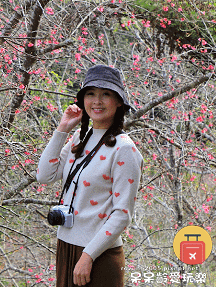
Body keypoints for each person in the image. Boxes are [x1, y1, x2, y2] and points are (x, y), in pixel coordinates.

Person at [37, 64, 143, 286]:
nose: (97, 101)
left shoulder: (124, 149)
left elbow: (122, 213)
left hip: (98, 254)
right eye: (91, 94)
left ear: (119, 102)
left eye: (106, 94)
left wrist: (88, 256)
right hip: (66, 245)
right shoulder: (79, 138)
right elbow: (44, 175)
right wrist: (62, 129)